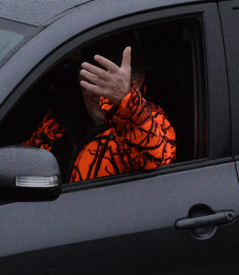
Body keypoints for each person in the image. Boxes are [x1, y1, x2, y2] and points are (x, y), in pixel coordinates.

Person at [22, 44, 176, 182]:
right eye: (92, 81)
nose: (100, 94)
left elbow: (154, 159)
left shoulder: (152, 120)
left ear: (138, 81)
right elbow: (23, 164)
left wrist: (124, 101)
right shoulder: (60, 119)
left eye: (112, 85)